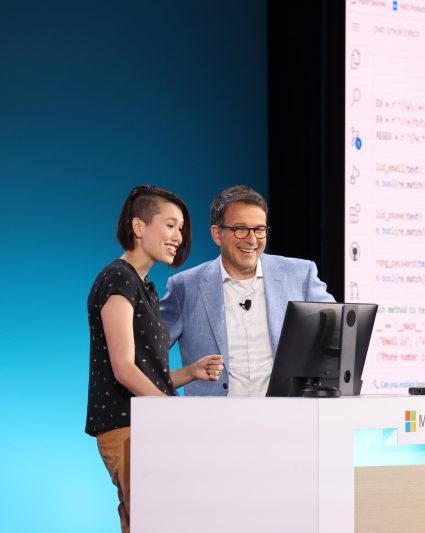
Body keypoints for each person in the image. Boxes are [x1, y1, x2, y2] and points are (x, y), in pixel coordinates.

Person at [85, 185, 224, 533]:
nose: (178, 236)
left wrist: (189, 372)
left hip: (145, 422)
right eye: (170, 225)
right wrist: (168, 410)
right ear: (138, 227)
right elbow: (123, 368)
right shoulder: (118, 278)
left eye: (180, 229)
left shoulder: (144, 286)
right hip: (129, 426)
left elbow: (146, 371)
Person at [160, 185, 335, 396]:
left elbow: (337, 333)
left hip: (285, 418)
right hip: (214, 422)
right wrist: (181, 380)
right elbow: (144, 357)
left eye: (259, 229)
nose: (252, 240)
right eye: (240, 229)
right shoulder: (184, 287)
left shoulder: (300, 275)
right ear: (218, 234)